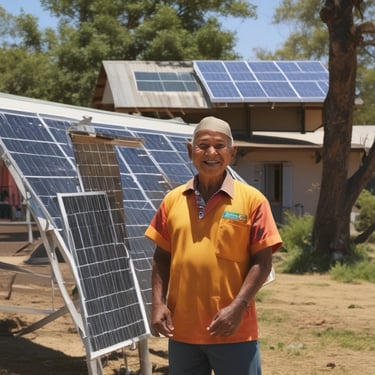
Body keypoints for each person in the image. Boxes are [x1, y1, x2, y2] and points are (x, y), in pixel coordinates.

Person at [145, 116, 282, 375]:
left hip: (233, 329)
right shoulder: (172, 200)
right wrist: (157, 304)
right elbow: (161, 257)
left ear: (232, 152)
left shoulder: (253, 201)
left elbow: (262, 262)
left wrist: (237, 307)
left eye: (220, 146)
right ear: (190, 150)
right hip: (182, 330)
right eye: (203, 145)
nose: (211, 152)